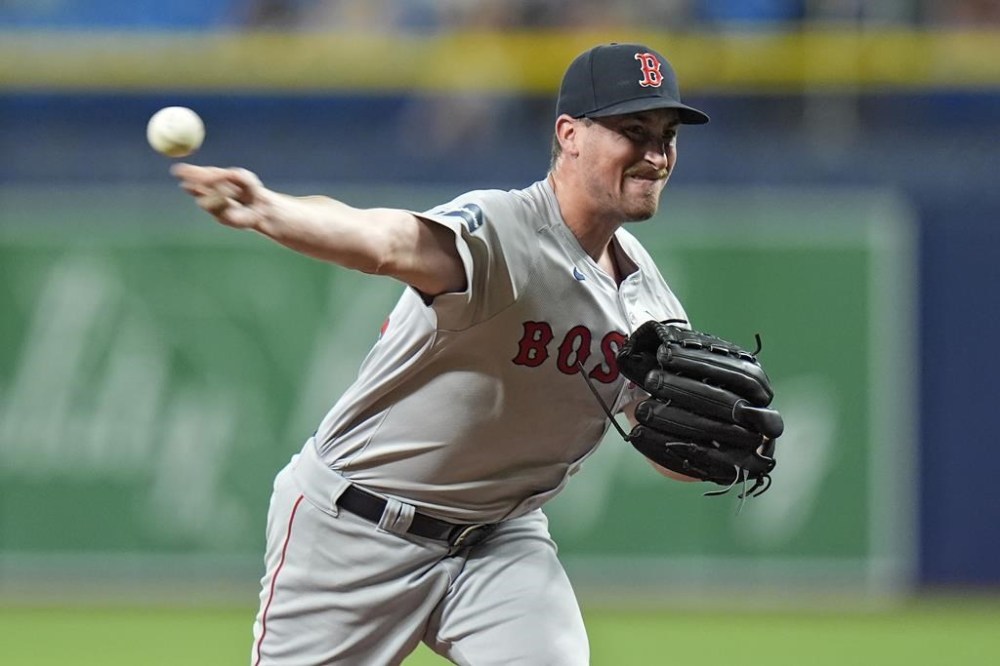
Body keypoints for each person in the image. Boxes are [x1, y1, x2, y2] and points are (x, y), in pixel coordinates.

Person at [172, 42, 710, 666]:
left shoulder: (650, 303)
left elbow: (669, 452)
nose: (656, 153)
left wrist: (712, 446)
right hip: (357, 528)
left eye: (667, 135)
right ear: (569, 135)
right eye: (633, 130)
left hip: (499, 543)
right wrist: (270, 209)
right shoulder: (506, 229)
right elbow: (385, 239)